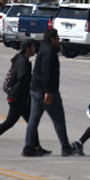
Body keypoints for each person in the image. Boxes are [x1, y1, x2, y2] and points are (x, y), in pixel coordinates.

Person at [0, 39, 47, 156]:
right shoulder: (23, 62)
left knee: (31, 121)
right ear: (27, 49)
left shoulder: (20, 59)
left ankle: (36, 147)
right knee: (10, 122)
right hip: (17, 98)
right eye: (33, 47)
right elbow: (23, 78)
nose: (34, 49)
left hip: (22, 97)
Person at [23, 29, 76, 157]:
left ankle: (29, 147)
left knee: (33, 120)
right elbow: (46, 73)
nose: (59, 40)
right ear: (52, 39)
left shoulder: (43, 49)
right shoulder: (49, 52)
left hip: (35, 90)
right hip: (45, 91)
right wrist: (48, 92)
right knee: (58, 119)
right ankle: (65, 147)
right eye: (57, 38)